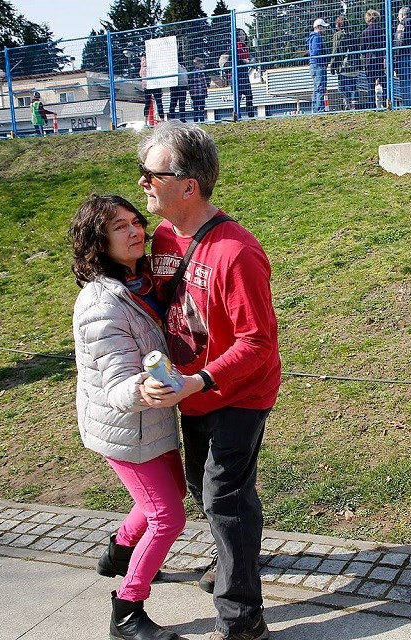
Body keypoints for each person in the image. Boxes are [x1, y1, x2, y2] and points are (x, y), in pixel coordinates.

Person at [137, 120, 281, 640]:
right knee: (212, 489)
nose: (142, 183)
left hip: (238, 393)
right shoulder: (161, 237)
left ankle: (242, 620)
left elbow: (258, 344)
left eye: (150, 174)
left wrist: (199, 380)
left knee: (223, 495)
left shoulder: (236, 252)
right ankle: (234, 555)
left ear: (187, 184)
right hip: (188, 390)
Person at [70, 194, 187, 640]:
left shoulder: (143, 282)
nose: (135, 230)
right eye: (119, 227)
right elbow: (116, 383)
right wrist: (144, 387)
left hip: (151, 421)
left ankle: (119, 552)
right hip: (125, 428)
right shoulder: (103, 303)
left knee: (171, 492)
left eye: (136, 221)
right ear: (98, 241)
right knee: (167, 517)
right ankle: (127, 608)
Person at [328, 14, 359, 111]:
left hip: (343, 66)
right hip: (354, 66)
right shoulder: (352, 35)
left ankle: (347, 104)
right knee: (352, 86)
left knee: (342, 87)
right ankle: (354, 105)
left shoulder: (338, 35)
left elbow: (335, 51)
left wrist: (332, 66)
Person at [393, 5, 411, 107]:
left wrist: (396, 55)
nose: (397, 17)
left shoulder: (402, 24)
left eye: (398, 15)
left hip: (403, 56)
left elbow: (398, 41)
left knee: (405, 83)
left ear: (402, 15)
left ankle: (408, 106)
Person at [361, 9, 386, 109]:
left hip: (369, 60)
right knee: (384, 82)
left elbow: (362, 48)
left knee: (370, 85)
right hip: (379, 59)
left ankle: (372, 107)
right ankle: (386, 103)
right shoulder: (381, 31)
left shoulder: (365, 32)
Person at [307, 18, 330, 113]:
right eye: (323, 27)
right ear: (319, 27)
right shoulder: (317, 37)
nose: (324, 29)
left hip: (314, 65)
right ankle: (320, 109)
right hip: (318, 65)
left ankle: (316, 109)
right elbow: (316, 52)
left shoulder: (312, 37)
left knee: (316, 89)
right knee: (321, 88)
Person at [234, 29, 256, 119]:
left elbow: (248, 57)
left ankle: (251, 116)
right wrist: (244, 61)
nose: (242, 36)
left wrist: (251, 61)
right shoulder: (235, 47)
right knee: (237, 97)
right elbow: (236, 59)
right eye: (240, 35)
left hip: (244, 74)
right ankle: (237, 116)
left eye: (243, 34)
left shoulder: (245, 46)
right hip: (237, 75)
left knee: (249, 95)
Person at [140, 54, 165, 124]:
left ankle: (145, 121)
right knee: (158, 102)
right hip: (152, 84)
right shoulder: (149, 64)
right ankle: (161, 119)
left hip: (149, 84)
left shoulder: (143, 66)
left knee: (149, 103)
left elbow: (140, 74)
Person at [189, 57, 209, 123]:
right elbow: (204, 84)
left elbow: (190, 84)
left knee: (195, 109)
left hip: (194, 94)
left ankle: (195, 122)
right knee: (201, 109)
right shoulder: (201, 72)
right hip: (201, 94)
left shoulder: (191, 73)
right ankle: (202, 121)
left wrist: (191, 93)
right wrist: (206, 93)